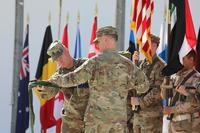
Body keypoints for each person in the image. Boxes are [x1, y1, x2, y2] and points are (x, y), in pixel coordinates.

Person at [49, 26, 149, 133]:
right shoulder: (127, 64)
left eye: (98, 41)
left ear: (105, 40)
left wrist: (56, 80)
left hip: (96, 123)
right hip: (118, 123)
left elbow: (74, 78)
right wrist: (124, 86)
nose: (97, 45)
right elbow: (144, 86)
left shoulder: (94, 62)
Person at [38, 40, 89, 133]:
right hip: (71, 123)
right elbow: (49, 92)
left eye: (61, 56)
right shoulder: (58, 76)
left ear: (67, 51)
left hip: (89, 120)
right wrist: (44, 88)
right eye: (56, 59)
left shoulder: (85, 65)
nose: (60, 61)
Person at [131, 34, 166, 133]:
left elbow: (158, 90)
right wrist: (134, 64)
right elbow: (134, 84)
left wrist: (140, 101)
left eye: (149, 45)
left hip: (152, 118)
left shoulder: (161, 66)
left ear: (155, 46)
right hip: (138, 116)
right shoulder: (141, 64)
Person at [162, 49, 200, 133]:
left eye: (183, 58)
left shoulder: (197, 78)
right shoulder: (176, 76)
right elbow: (164, 96)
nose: (180, 61)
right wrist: (165, 80)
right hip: (173, 125)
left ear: (191, 60)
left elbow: (197, 103)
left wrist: (172, 109)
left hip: (189, 125)